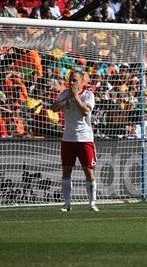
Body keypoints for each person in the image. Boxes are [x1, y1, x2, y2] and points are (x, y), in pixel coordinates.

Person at [51, 70, 99, 212]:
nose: (72, 83)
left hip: (85, 138)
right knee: (66, 171)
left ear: (82, 82)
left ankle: (92, 203)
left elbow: (85, 111)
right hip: (68, 138)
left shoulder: (88, 95)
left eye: (75, 80)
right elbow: (53, 108)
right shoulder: (64, 94)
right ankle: (67, 204)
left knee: (89, 171)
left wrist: (75, 97)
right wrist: (67, 99)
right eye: (70, 80)